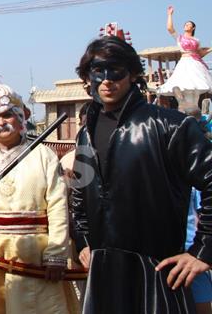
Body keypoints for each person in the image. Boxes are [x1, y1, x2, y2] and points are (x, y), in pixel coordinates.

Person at [71, 36, 212, 313]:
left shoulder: (172, 126)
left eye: (117, 70)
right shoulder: (85, 133)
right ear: (88, 77)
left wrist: (203, 249)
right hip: (103, 274)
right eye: (99, 71)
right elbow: (80, 192)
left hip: (157, 273)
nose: (107, 80)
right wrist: (84, 242)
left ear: (134, 74)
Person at [0, 83, 74, 313]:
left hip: (35, 256)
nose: (1, 122)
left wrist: (56, 255)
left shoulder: (44, 156)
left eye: (7, 115)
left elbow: (58, 206)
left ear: (20, 117)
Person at [158, 6, 212, 105]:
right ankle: (185, 110)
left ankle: (195, 110)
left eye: (189, 24)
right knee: (184, 86)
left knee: (195, 87)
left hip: (195, 63)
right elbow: (170, 28)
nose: (186, 26)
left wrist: (210, 50)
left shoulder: (197, 40)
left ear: (193, 27)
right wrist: (169, 14)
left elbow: (199, 54)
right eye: (185, 24)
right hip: (184, 63)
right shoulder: (180, 38)